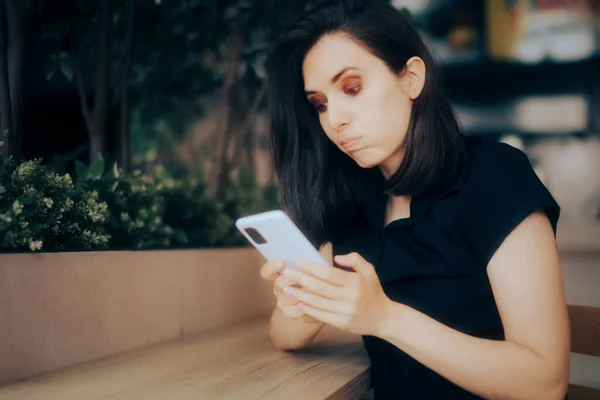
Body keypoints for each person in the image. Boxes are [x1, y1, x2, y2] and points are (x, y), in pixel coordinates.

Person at [259, 0, 571, 398]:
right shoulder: (353, 199)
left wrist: (384, 318)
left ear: (411, 78)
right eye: (319, 104)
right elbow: (285, 336)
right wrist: (298, 302)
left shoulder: (494, 177)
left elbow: (544, 383)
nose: (334, 119)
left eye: (351, 88)